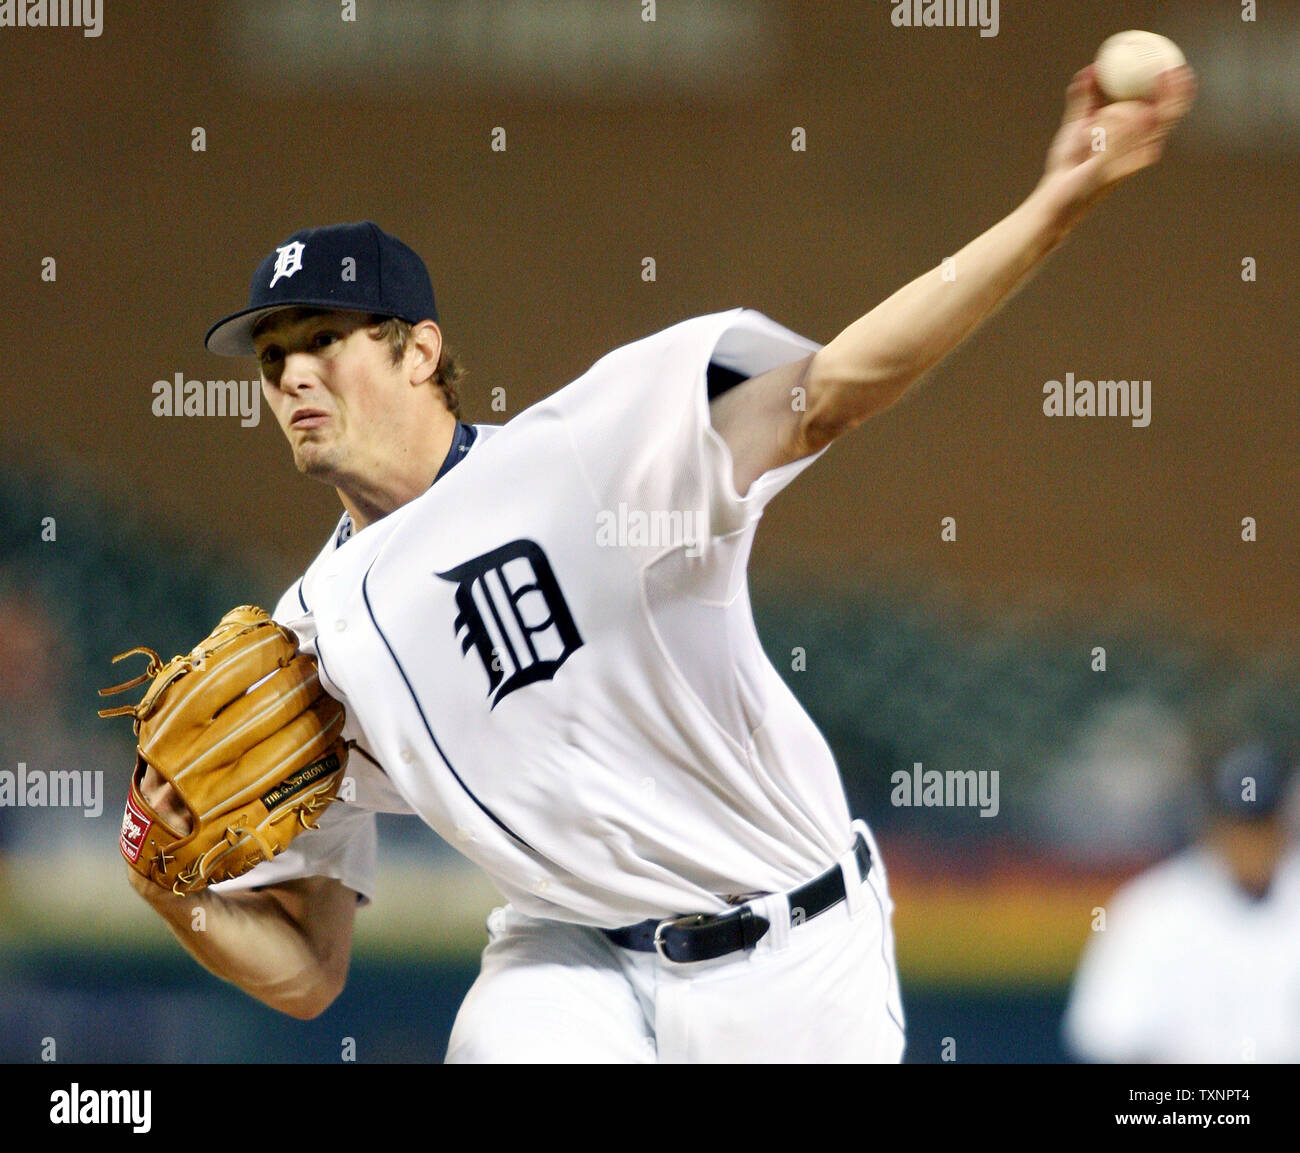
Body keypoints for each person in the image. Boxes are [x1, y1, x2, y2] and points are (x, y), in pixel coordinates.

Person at [126, 61, 1196, 1062]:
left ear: (420, 349)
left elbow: (834, 386)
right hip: (569, 956)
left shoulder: (592, 443)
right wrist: (172, 891)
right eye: (273, 359)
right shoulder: (301, 646)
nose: (294, 375)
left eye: (325, 339)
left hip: (794, 951)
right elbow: (311, 969)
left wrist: (1054, 206)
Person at [1063, 742, 1300, 1064]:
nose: (1251, 844)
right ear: (1213, 827)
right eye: (1240, 828)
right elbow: (1104, 1034)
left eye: (1261, 827)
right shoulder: (1152, 909)